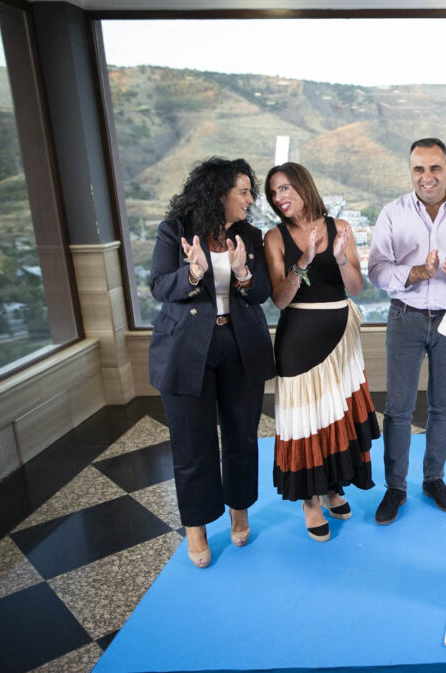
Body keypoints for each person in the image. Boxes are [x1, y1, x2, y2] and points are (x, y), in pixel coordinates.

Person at [148, 157, 275, 568]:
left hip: (240, 346)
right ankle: (197, 528)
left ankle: (239, 510)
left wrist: (242, 275)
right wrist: (193, 272)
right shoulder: (176, 230)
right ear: (218, 193)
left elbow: (261, 295)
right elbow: (159, 286)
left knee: (241, 436)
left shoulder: (250, 235)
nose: (250, 199)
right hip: (186, 351)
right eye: (243, 191)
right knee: (192, 444)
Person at [368, 138, 446, 524]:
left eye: (435, 168)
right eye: (419, 169)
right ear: (411, 171)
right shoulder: (392, 214)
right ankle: (396, 487)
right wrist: (416, 272)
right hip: (405, 316)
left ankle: (434, 479)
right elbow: (376, 269)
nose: (427, 176)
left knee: (443, 406)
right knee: (399, 409)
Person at [264, 162, 379, 542]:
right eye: (274, 192)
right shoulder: (275, 238)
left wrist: (342, 256)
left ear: (302, 186)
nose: (280, 197)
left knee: (335, 415)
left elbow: (356, 287)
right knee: (306, 419)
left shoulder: (341, 228)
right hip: (299, 339)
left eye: (285, 188)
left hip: (341, 337)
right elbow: (280, 300)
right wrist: (305, 260)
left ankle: (332, 487)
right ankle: (310, 500)